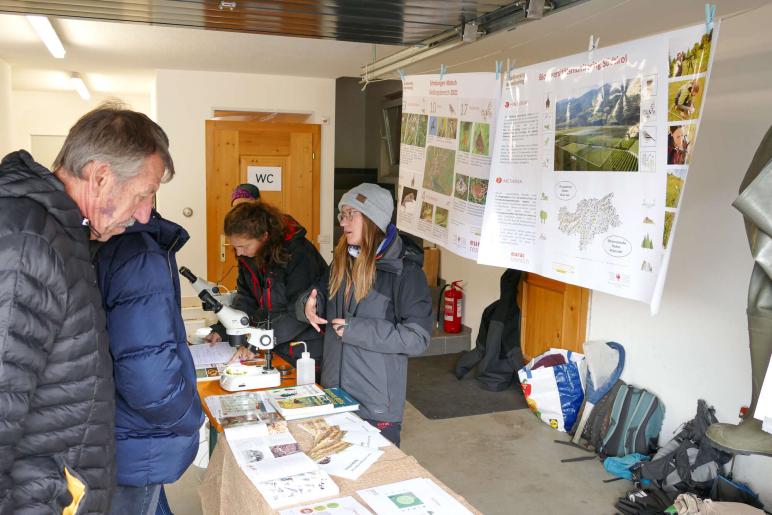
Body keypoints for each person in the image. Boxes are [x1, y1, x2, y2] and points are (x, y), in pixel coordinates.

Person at [0, 103, 172, 513]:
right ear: (99, 177)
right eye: (143, 194)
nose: (145, 213)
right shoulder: (30, 244)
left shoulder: (63, 236)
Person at [299, 183, 432, 446]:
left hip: (375, 406)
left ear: (373, 219)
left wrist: (355, 330)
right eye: (342, 215)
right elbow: (320, 293)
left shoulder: (405, 273)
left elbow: (417, 338)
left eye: (351, 214)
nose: (343, 223)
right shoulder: (343, 260)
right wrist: (308, 304)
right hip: (335, 395)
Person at [94, 210, 204, 515]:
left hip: (116, 430)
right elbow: (149, 378)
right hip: (135, 435)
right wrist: (189, 416)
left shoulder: (106, 244)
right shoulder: (139, 254)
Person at [206, 202, 327, 369]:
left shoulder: (299, 254)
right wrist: (224, 329)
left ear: (264, 236)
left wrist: (256, 342)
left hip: (304, 346)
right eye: (234, 247)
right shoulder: (249, 257)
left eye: (244, 246)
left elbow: (299, 313)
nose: (239, 252)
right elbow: (246, 300)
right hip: (271, 341)